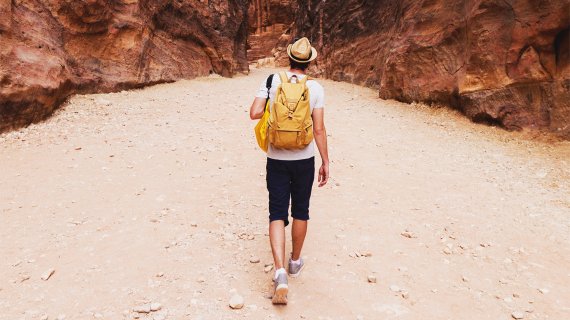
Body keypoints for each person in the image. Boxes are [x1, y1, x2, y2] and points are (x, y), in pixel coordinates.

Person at [249, 37, 329, 305]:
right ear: (310, 62)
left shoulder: (272, 81)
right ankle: (294, 262)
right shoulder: (316, 88)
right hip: (304, 159)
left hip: (276, 157)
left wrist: (276, 111)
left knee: (277, 211)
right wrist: (326, 161)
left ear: (289, 58)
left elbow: (254, 113)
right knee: (301, 211)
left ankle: (279, 272)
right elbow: (318, 129)